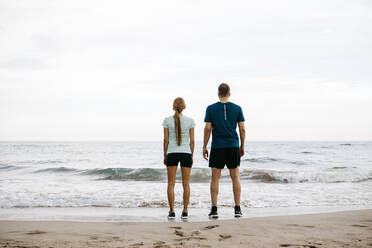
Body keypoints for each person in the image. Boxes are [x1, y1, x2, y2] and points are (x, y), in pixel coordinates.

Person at [203, 83, 246, 219]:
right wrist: (242, 146)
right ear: (229, 93)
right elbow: (242, 129)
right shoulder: (237, 108)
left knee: (215, 177)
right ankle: (237, 208)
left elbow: (208, 128)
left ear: (218, 93)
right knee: (235, 177)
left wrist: (204, 146)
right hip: (233, 146)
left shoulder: (210, 108)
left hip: (217, 146)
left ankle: (214, 209)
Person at [162, 97, 195, 220]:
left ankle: (171, 212)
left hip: (172, 153)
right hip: (186, 153)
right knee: (186, 184)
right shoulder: (190, 121)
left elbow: (166, 140)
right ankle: (185, 211)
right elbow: (192, 141)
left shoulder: (167, 120)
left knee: (171, 183)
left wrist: (165, 155)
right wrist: (191, 154)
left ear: (173, 106)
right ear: (184, 107)